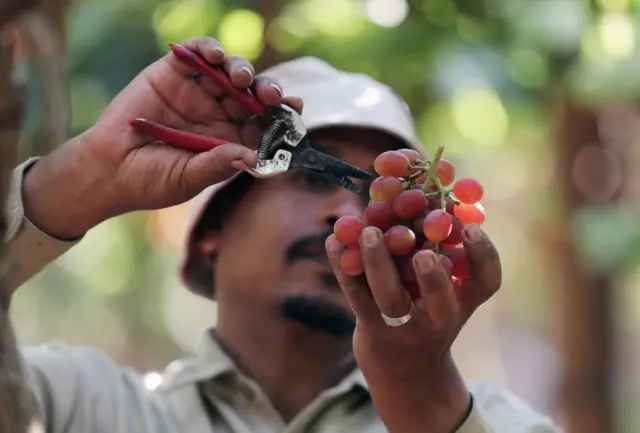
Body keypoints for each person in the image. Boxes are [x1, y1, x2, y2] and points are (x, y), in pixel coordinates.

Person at [3, 37, 562, 433]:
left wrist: (425, 407)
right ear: (211, 230)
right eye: (316, 177)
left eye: (378, 198)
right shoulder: (71, 406)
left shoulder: (486, 421)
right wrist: (87, 176)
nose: (349, 214)